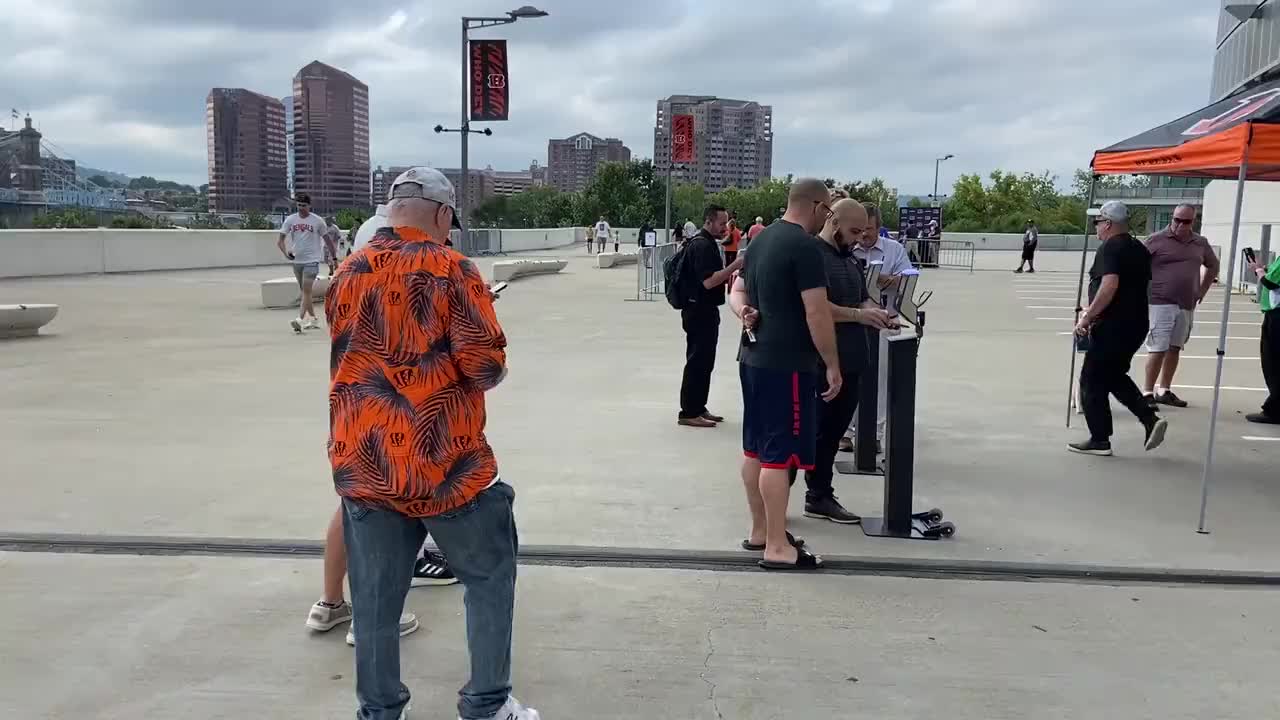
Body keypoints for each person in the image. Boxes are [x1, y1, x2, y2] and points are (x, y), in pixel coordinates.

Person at [326, 167, 539, 720]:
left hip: (364, 461)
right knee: (489, 579)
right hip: (447, 465)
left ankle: (379, 711)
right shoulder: (453, 269)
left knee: (374, 599)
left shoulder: (347, 270)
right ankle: (487, 704)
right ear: (444, 216)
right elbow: (484, 367)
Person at [731, 198, 891, 525]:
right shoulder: (809, 253)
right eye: (855, 230)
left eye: (865, 231)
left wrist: (878, 312)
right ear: (833, 221)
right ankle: (777, 505)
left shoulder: (850, 260)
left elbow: (859, 297)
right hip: (814, 362)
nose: (861, 238)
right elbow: (815, 307)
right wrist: (859, 315)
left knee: (831, 436)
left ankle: (818, 495)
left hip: (851, 359)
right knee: (795, 438)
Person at [734, 178, 841, 571]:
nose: (825, 219)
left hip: (752, 356)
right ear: (815, 206)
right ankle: (777, 547)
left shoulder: (759, 240)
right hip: (788, 363)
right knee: (780, 457)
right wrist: (831, 362)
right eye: (827, 211)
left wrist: (743, 313)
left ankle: (762, 530)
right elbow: (817, 311)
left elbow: (739, 292)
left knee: (756, 451)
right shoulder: (805, 248)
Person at [1071, 201, 1168, 457]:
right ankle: (1149, 419)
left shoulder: (1110, 247)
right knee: (1112, 375)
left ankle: (1100, 439)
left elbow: (1110, 285)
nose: (1096, 228)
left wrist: (1087, 317)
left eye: (1098, 222)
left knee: (1092, 379)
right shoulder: (1138, 248)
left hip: (1113, 324)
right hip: (1135, 323)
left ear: (1108, 223)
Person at [844, 203, 915, 452]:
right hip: (854, 323)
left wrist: (881, 279)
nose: (864, 235)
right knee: (850, 378)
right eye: (860, 230)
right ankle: (848, 432)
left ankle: (874, 433)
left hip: (887, 323)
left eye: (870, 230)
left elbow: (909, 278)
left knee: (881, 381)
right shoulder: (847, 249)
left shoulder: (894, 250)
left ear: (879, 228)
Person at [1141, 204, 1219, 409]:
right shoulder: (1156, 240)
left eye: (1186, 221)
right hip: (1159, 302)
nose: (1180, 225)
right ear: (1171, 218)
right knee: (1157, 348)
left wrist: (1202, 291)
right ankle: (1147, 392)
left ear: (1194, 221)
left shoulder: (1200, 243)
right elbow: (1137, 265)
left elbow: (1213, 265)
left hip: (1186, 303)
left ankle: (1164, 390)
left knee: (1175, 348)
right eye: (1177, 219)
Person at [677, 205, 744, 428]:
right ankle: (688, 411)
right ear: (708, 221)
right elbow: (708, 281)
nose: (725, 227)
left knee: (705, 362)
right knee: (698, 361)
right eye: (722, 223)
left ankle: (698, 407)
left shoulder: (705, 243)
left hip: (703, 310)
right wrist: (735, 266)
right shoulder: (702, 245)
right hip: (699, 311)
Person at [277, 192, 337, 334]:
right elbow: (280, 240)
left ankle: (299, 319)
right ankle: (314, 319)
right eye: (299, 205)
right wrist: (286, 254)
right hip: (297, 260)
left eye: (304, 205)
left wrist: (334, 259)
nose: (301, 208)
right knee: (305, 293)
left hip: (312, 261)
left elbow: (328, 241)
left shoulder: (317, 221)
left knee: (306, 290)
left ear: (309, 206)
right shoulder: (291, 220)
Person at [1247, 250, 1280, 424]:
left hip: (1277, 315)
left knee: (1273, 363)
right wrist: (1263, 268)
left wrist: (1258, 270)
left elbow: (1270, 282)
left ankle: (1274, 409)